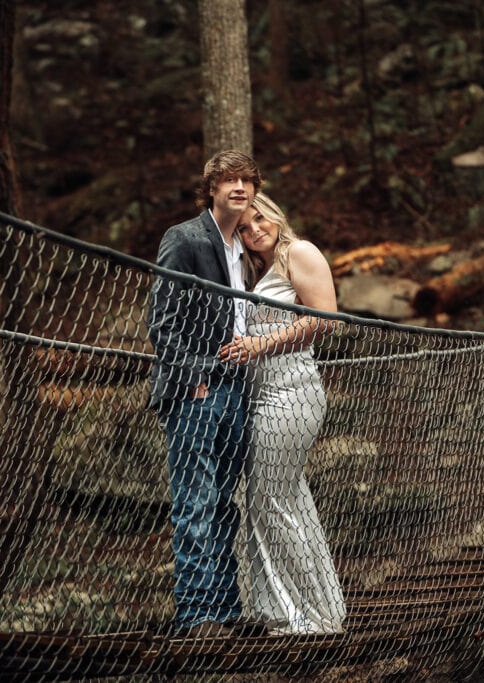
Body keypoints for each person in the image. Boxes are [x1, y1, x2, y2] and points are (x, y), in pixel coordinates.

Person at [219, 193, 346, 635]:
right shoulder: (255, 270)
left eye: (259, 218)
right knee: (279, 497)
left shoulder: (300, 252)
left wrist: (260, 345)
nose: (255, 229)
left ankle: (311, 617)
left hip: (291, 392)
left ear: (273, 212)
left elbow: (326, 318)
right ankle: (299, 608)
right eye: (244, 228)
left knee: (271, 496)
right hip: (258, 396)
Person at [147, 150, 262, 639]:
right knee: (194, 502)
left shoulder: (246, 248)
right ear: (211, 189)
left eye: (246, 180)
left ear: (255, 190)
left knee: (222, 503)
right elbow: (162, 321)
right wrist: (193, 374)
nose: (238, 187)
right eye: (227, 180)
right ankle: (196, 616)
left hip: (238, 388)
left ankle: (226, 612)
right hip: (199, 387)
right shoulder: (185, 238)